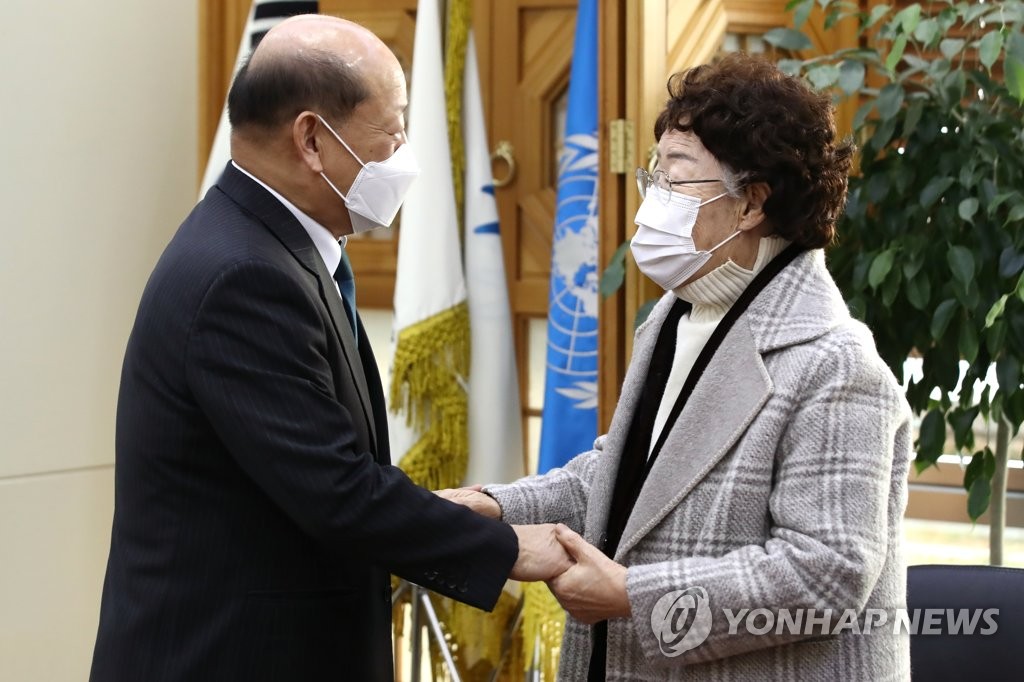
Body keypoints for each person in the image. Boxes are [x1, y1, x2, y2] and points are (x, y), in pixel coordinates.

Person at [89, 15, 570, 682]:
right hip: (224, 656)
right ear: (312, 139)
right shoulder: (243, 276)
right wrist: (511, 546)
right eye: (394, 130)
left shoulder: (270, 246)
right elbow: (337, 491)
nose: (406, 154)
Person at [440, 53, 912, 680]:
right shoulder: (675, 316)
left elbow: (826, 571)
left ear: (750, 204)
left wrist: (634, 594)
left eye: (677, 179)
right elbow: (625, 476)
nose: (652, 201)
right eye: (653, 176)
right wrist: (495, 506)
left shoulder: (835, 364)